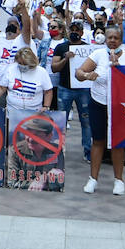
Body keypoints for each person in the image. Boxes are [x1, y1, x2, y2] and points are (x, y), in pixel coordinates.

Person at [75, 27, 125, 196]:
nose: (112, 40)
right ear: (105, 39)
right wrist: (86, 75)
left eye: (116, 38)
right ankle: (93, 179)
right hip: (98, 102)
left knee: (117, 143)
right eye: (110, 37)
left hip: (119, 106)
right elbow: (78, 73)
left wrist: (119, 68)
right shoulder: (98, 54)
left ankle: (119, 180)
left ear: (121, 40)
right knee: (98, 141)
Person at [51, 20, 94, 162]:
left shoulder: (88, 48)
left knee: (86, 121)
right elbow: (54, 68)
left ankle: (88, 150)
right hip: (65, 89)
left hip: (83, 90)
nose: (74, 32)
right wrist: (65, 59)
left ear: (82, 32)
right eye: (72, 30)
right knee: (60, 122)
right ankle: (58, 150)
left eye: (77, 30)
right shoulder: (61, 47)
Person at [0, 47, 53, 113]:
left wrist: (46, 106)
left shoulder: (42, 72)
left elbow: (48, 91)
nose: (22, 66)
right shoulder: (11, 69)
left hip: (34, 112)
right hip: (12, 111)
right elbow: (2, 88)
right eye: (20, 63)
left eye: (25, 64)